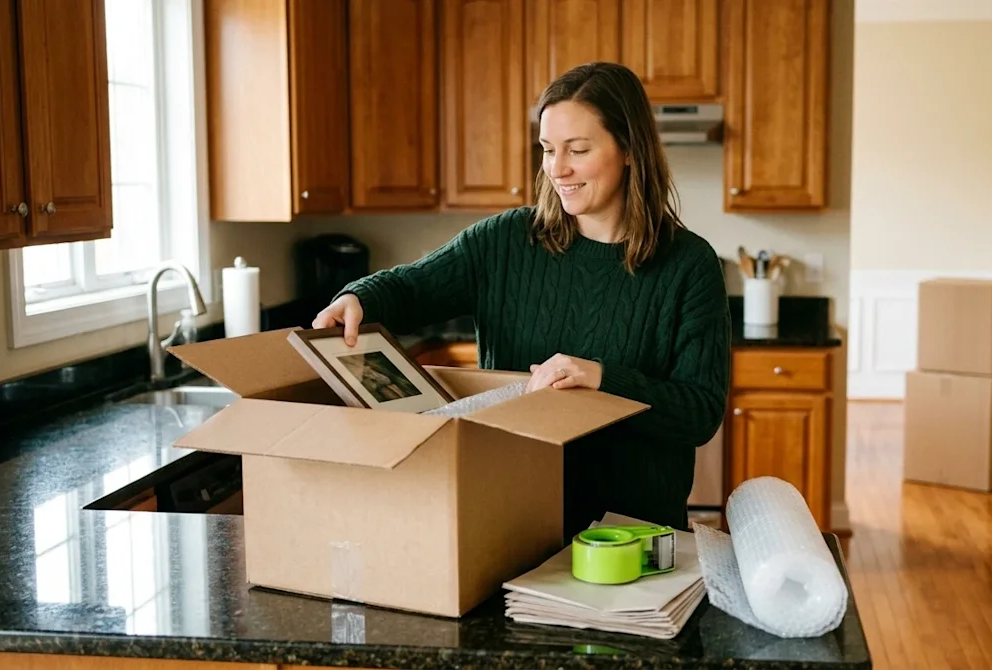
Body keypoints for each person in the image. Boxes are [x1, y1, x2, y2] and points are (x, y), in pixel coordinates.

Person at [313, 61, 731, 540]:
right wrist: (358, 299)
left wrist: (602, 378)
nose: (558, 169)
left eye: (578, 150)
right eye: (549, 150)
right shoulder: (506, 240)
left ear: (630, 149)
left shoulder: (689, 264)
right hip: (511, 524)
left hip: (631, 536)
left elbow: (698, 413)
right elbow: (412, 286)